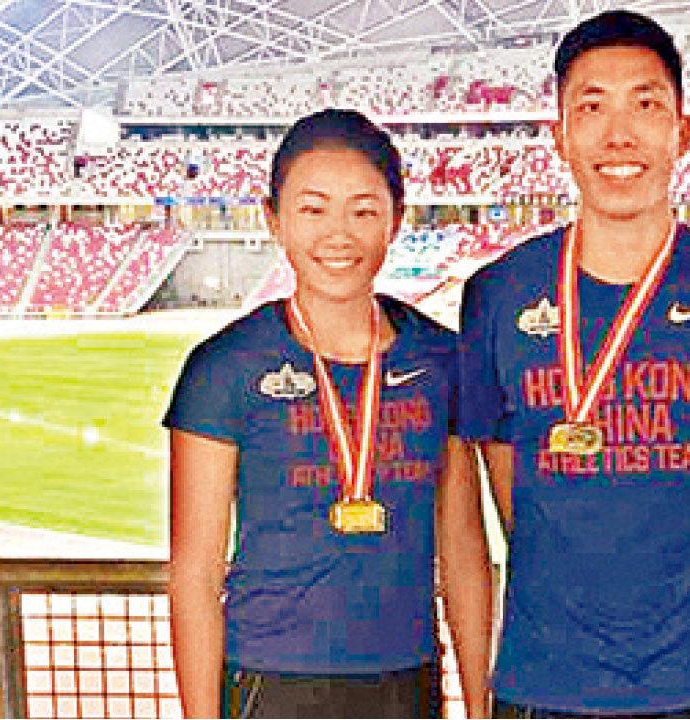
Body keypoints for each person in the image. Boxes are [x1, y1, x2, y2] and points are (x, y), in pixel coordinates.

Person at [457, 10, 690, 717]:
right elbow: (517, 503)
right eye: (591, 107)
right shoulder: (497, 294)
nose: (619, 135)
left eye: (645, 104)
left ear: (683, 131)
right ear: (558, 136)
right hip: (543, 684)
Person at [165, 109, 492, 719]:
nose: (339, 235)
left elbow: (464, 551)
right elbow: (195, 575)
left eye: (363, 211)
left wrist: (479, 705)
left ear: (396, 220)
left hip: (405, 683)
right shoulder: (224, 367)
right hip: (270, 684)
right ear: (274, 220)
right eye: (313, 210)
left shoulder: (441, 358)